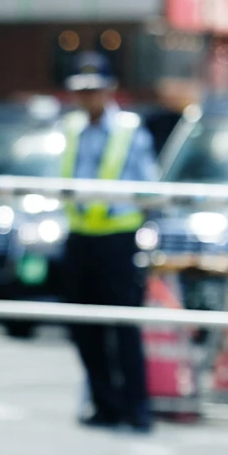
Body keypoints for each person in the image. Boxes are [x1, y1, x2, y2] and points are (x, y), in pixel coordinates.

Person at [59, 53, 157, 432]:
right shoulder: (72, 128)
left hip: (117, 241)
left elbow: (148, 186)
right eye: (82, 90)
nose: (88, 97)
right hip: (80, 239)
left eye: (94, 89)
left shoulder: (129, 130)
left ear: (110, 89)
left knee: (124, 327)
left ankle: (136, 408)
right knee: (84, 328)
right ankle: (105, 405)